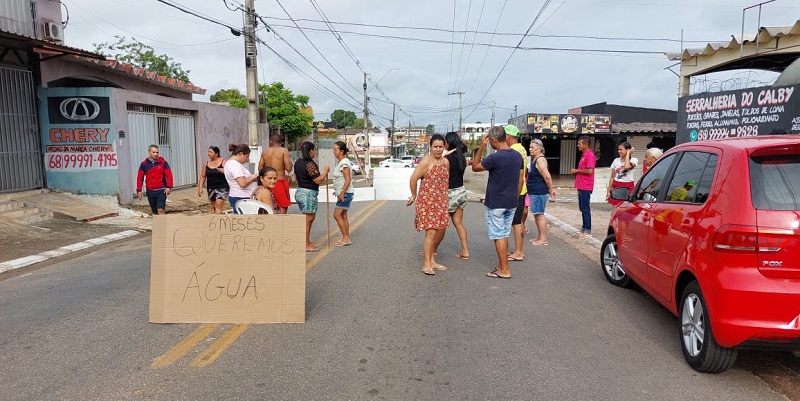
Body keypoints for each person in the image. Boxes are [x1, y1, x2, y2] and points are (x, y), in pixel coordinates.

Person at [472, 126, 524, 279]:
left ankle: (504, 270)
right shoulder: (517, 156)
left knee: (498, 235)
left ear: (494, 140)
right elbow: (521, 178)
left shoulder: (495, 157)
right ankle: (502, 266)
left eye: (490, 141)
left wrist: (481, 147)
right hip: (511, 201)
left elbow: (475, 167)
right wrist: (516, 197)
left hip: (496, 202)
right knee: (504, 234)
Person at [408, 134, 450, 276]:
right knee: (431, 233)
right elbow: (413, 179)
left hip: (441, 202)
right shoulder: (426, 162)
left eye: (441, 147)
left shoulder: (446, 162)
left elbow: (445, 181)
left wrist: (444, 198)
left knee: (437, 232)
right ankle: (426, 264)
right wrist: (414, 195)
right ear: (430, 147)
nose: (438, 149)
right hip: (427, 202)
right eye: (435, 147)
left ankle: (432, 261)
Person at [432, 132, 470, 261]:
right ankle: (465, 251)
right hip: (461, 191)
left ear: (448, 143)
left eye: (445, 143)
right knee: (458, 223)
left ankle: (432, 249)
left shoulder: (446, 159)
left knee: (442, 224)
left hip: (449, 193)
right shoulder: (461, 158)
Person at [294, 142, 330, 252]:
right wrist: (325, 171)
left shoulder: (298, 162)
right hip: (308, 193)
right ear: (311, 151)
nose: (315, 152)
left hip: (300, 191)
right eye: (314, 150)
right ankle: (305, 244)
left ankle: (307, 241)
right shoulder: (309, 164)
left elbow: (296, 178)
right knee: (308, 220)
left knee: (307, 218)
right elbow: (318, 180)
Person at [527, 139, 557, 246]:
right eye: (530, 147)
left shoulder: (540, 160)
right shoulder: (535, 159)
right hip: (535, 192)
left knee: (540, 215)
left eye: (532, 147)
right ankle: (540, 237)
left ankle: (543, 239)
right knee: (537, 215)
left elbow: (547, 176)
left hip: (539, 192)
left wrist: (551, 189)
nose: (530, 149)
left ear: (539, 148)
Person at [505, 124, 528, 262]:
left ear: (508, 136)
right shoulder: (522, 148)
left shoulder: (513, 150)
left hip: (517, 189)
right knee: (517, 221)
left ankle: (519, 251)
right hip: (521, 188)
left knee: (516, 221)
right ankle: (519, 250)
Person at [258, 133, 293, 213]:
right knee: (283, 205)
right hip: (279, 180)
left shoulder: (265, 151)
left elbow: (260, 168)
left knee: (271, 205)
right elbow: (288, 168)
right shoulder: (283, 151)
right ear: (280, 142)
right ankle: (281, 220)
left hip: (267, 182)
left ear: (271, 141)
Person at [136, 144, 173, 216]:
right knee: (155, 212)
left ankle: (163, 223)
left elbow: (169, 175)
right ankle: (158, 223)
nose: (156, 154)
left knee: (160, 210)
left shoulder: (163, 163)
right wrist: (139, 190)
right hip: (150, 191)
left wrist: (169, 187)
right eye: (154, 152)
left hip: (161, 190)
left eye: (157, 152)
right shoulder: (144, 164)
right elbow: (140, 177)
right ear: (149, 152)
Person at [570, 135, 595, 239]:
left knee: (585, 208)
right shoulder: (584, 155)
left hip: (586, 185)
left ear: (585, 144)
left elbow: (590, 171)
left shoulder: (590, 155)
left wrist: (577, 171)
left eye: (579, 144)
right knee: (582, 207)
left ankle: (588, 229)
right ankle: (584, 227)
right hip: (581, 185)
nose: (578, 145)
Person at [225, 143, 259, 214]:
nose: (247, 159)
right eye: (247, 156)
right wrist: (252, 178)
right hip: (241, 197)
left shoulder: (231, 163)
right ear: (240, 154)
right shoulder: (234, 165)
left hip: (240, 196)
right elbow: (242, 183)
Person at [332, 141, 355, 246]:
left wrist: (342, 192)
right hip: (345, 193)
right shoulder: (341, 162)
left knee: (337, 215)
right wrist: (337, 190)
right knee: (343, 215)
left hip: (345, 194)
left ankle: (346, 238)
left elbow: (348, 179)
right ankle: (346, 237)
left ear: (341, 151)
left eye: (335, 149)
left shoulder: (344, 163)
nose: (333, 151)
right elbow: (341, 180)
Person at [197, 146, 229, 214]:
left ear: (216, 154)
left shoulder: (223, 162)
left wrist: (224, 171)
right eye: (208, 152)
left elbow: (230, 172)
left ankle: (217, 219)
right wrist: (200, 188)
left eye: (211, 152)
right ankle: (218, 217)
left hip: (222, 187)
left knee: (218, 205)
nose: (209, 153)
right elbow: (203, 176)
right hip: (211, 188)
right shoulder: (206, 163)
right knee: (214, 206)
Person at [606, 142, 638, 206]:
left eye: (621, 150)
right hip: (616, 184)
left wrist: (628, 153)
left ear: (627, 150)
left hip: (628, 185)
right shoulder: (616, 160)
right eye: (618, 149)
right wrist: (608, 191)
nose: (619, 151)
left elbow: (626, 166)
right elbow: (612, 176)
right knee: (616, 206)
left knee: (626, 206)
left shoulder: (634, 160)